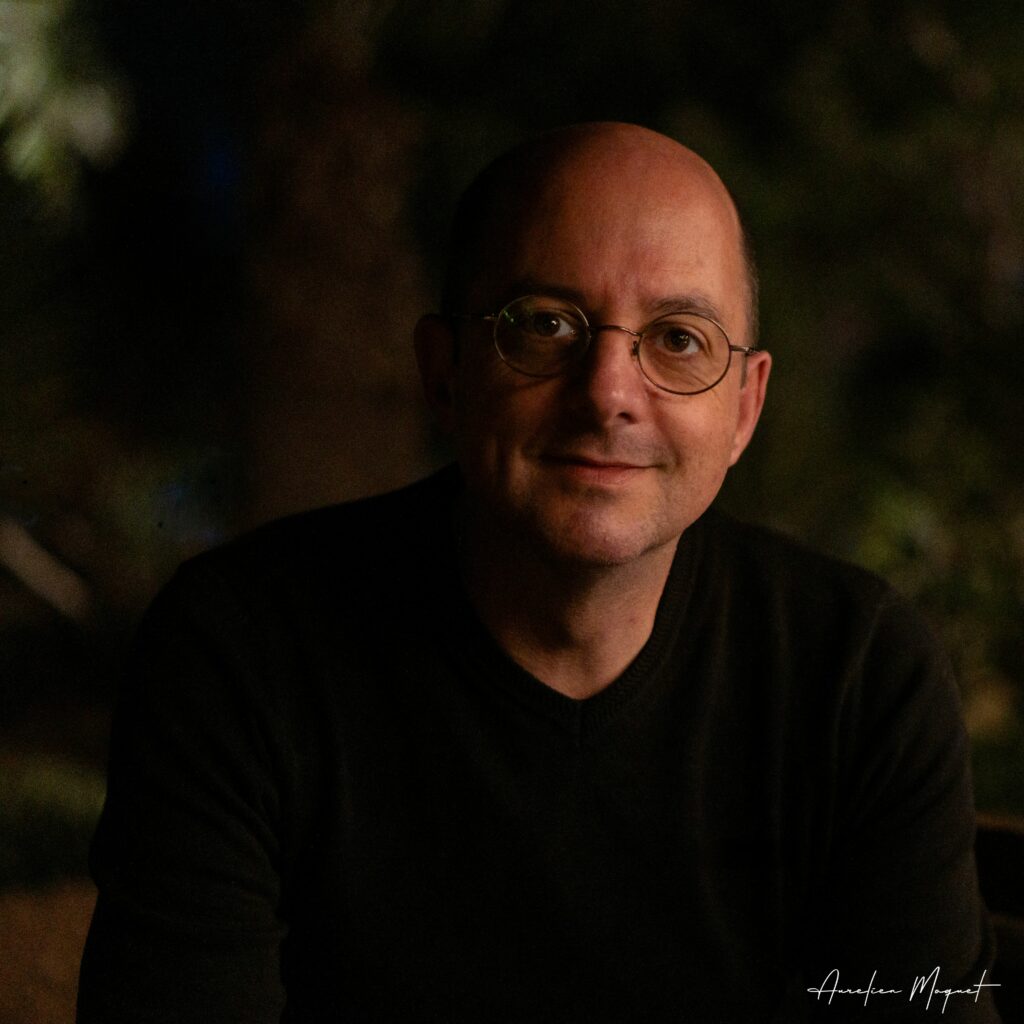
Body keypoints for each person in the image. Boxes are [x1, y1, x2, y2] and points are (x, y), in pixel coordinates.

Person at [77, 123, 1000, 1022]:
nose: (606, 392)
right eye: (546, 325)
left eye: (679, 338)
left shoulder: (858, 677)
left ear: (745, 407)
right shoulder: (242, 654)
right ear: (444, 373)